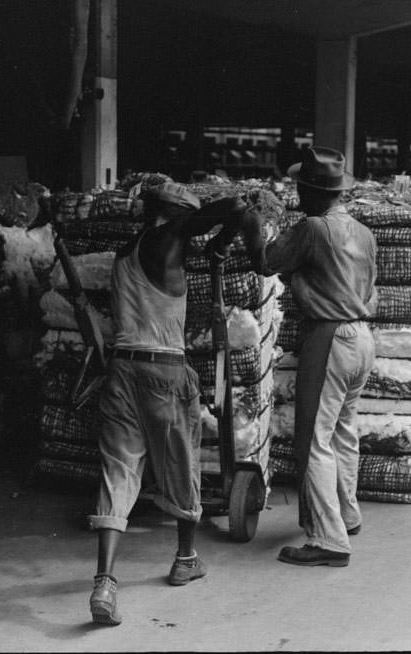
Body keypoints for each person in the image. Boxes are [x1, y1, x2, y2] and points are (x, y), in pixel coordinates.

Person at [87, 182, 247, 626]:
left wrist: (213, 243)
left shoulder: (126, 252)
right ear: (175, 218)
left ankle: (104, 580)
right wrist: (222, 235)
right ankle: (185, 557)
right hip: (164, 371)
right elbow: (234, 205)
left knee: (118, 470)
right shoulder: (168, 239)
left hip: (121, 370)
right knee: (180, 464)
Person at [242, 145, 377, 567]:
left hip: (330, 337)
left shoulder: (313, 228)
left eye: (302, 187)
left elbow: (265, 262)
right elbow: (368, 288)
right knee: (343, 430)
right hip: (362, 338)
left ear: (313, 191)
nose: (297, 194)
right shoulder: (362, 231)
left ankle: (329, 540)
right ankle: (347, 514)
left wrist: (248, 224)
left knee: (313, 440)